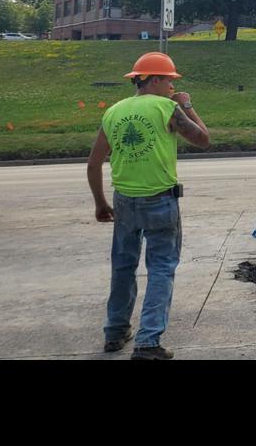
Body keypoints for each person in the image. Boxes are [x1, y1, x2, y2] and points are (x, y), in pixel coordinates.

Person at [87, 52, 211, 360]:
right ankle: (148, 341)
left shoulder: (113, 112)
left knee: (123, 266)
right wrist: (187, 105)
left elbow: (93, 163)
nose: (172, 86)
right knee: (161, 269)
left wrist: (101, 203)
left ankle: (115, 332)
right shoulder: (168, 108)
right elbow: (203, 139)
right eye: (169, 80)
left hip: (124, 201)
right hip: (160, 200)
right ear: (154, 79)